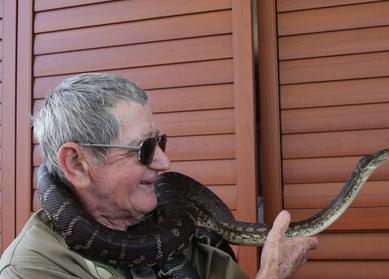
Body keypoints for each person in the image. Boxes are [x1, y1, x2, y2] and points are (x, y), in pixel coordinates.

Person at [0, 73, 318, 278]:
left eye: (160, 142)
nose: (165, 163)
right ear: (77, 164)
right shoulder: (33, 269)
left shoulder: (178, 234)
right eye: (144, 148)